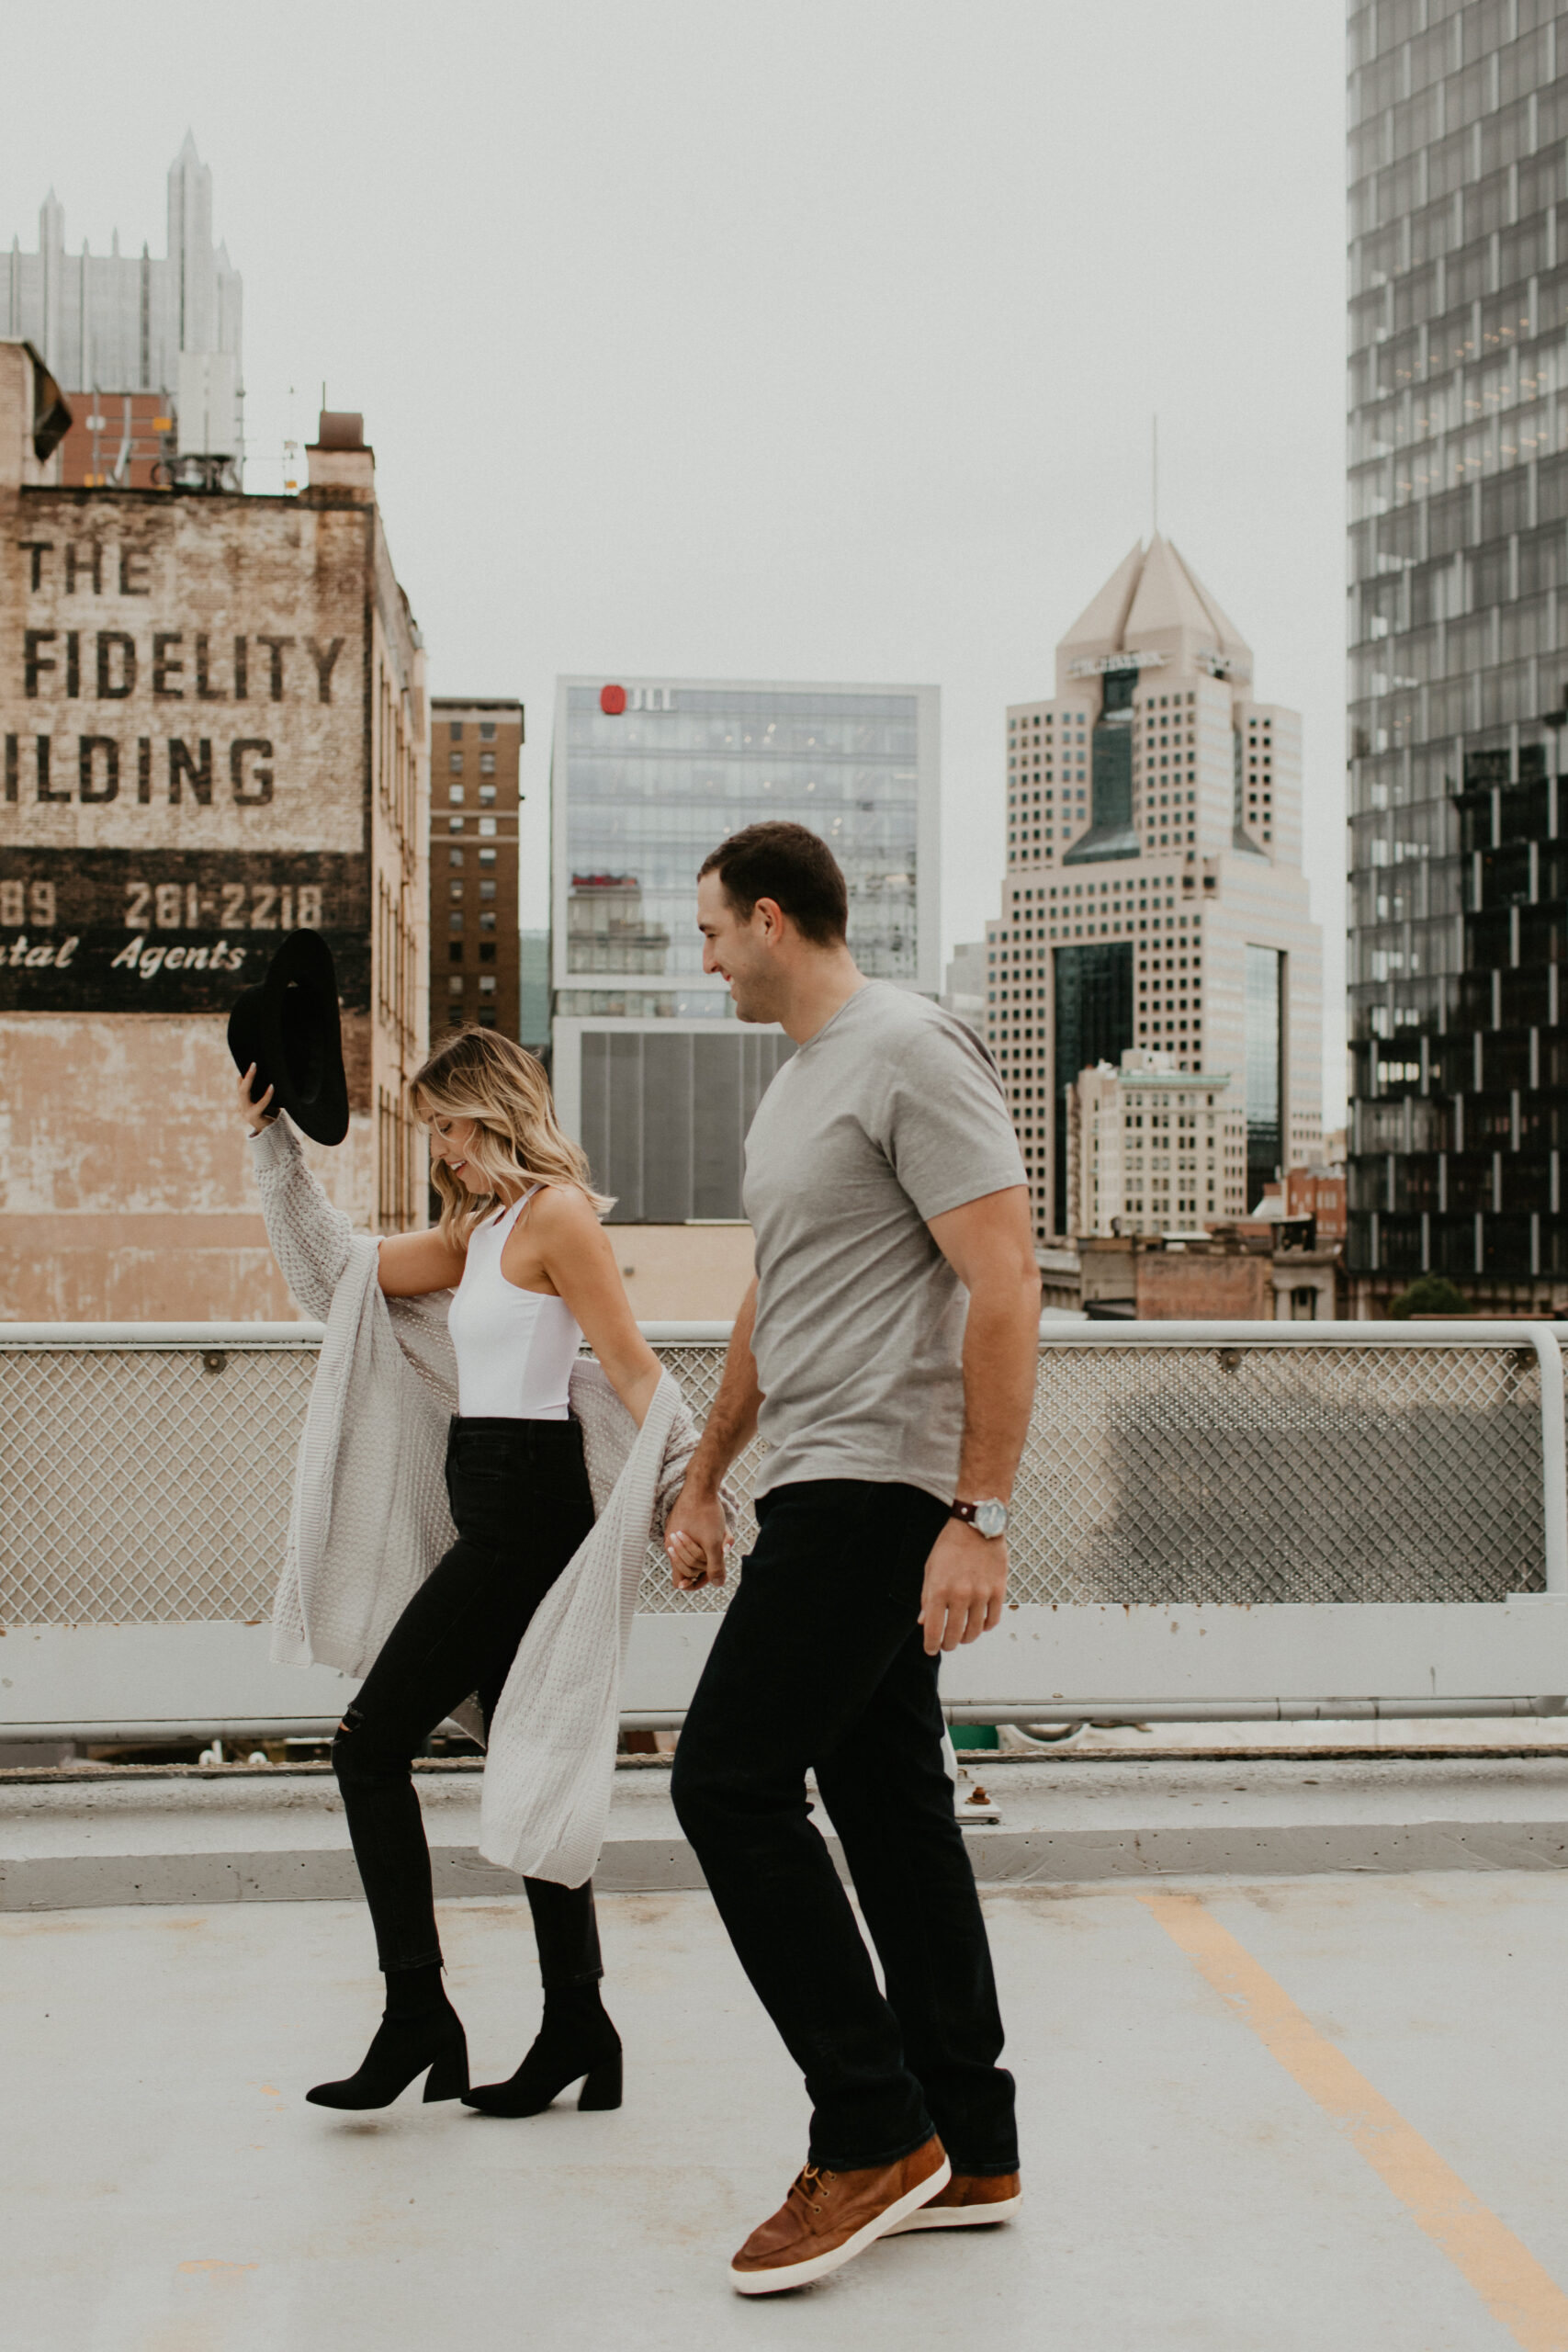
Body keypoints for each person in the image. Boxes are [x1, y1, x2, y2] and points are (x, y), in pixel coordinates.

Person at [662, 822, 1040, 2295]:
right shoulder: (796, 1090)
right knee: (887, 1807)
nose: (700, 962)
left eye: (708, 934)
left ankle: (871, 2127)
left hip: (878, 1486)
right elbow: (777, 1299)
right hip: (811, 1472)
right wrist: (705, 1473)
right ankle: (969, 2134)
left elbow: (1002, 1279)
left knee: (724, 1782)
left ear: (770, 918)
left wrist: (980, 1514)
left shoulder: (908, 1049)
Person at [241, 1025, 686, 2116]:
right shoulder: (477, 1233)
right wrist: (272, 1144)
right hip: (485, 1498)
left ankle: (418, 2015)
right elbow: (333, 1280)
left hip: (529, 1516)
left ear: (490, 1110)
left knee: (368, 1745)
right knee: (523, 1745)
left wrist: (694, 1492)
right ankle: (575, 2022)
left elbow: (633, 1369)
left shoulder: (558, 1218)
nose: (437, 1146)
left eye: (445, 1121)